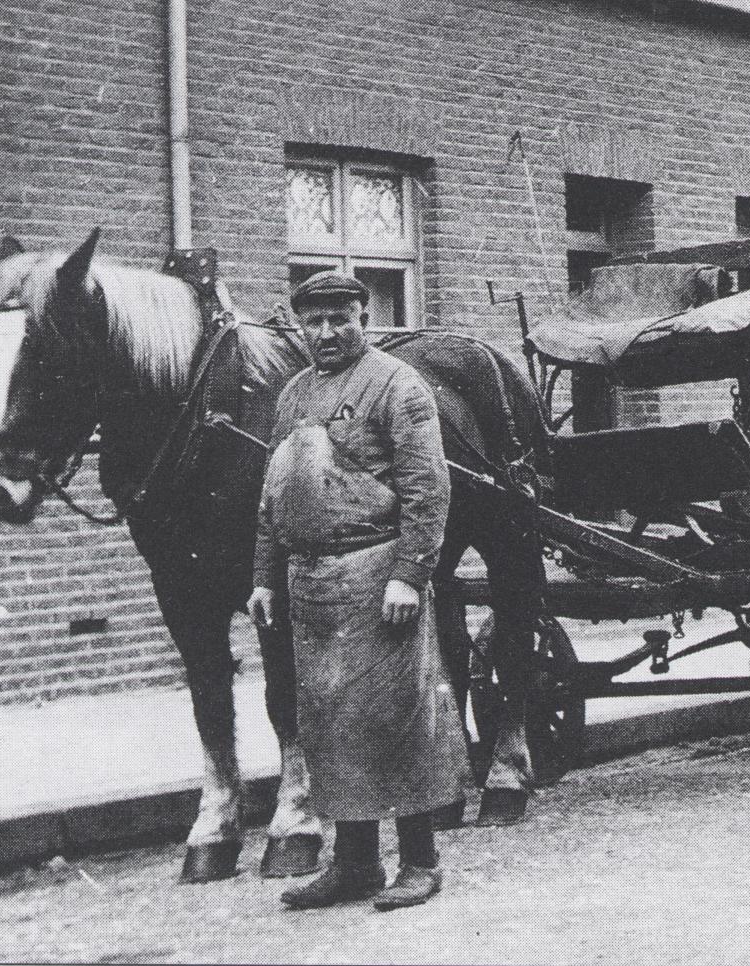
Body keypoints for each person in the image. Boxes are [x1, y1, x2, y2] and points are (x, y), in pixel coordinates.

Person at [248, 270, 469, 911]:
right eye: (313, 322)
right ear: (300, 327)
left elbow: (428, 489)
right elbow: (273, 496)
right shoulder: (292, 396)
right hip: (311, 583)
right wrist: (264, 578)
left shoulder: (397, 385)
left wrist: (409, 574)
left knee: (396, 720)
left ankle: (420, 861)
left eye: (339, 318)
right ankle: (354, 864)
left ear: (363, 317)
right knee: (329, 727)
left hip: (378, 579)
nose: (326, 332)